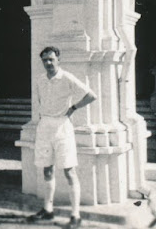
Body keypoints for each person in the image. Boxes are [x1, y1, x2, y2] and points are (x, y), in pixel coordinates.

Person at [27, 46, 97, 229]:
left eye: (51, 59)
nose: (48, 63)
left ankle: (76, 216)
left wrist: (73, 108)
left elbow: (91, 95)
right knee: (47, 169)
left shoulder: (67, 78)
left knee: (69, 170)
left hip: (62, 127)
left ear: (58, 60)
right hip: (44, 127)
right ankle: (48, 210)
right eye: (45, 60)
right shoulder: (40, 80)